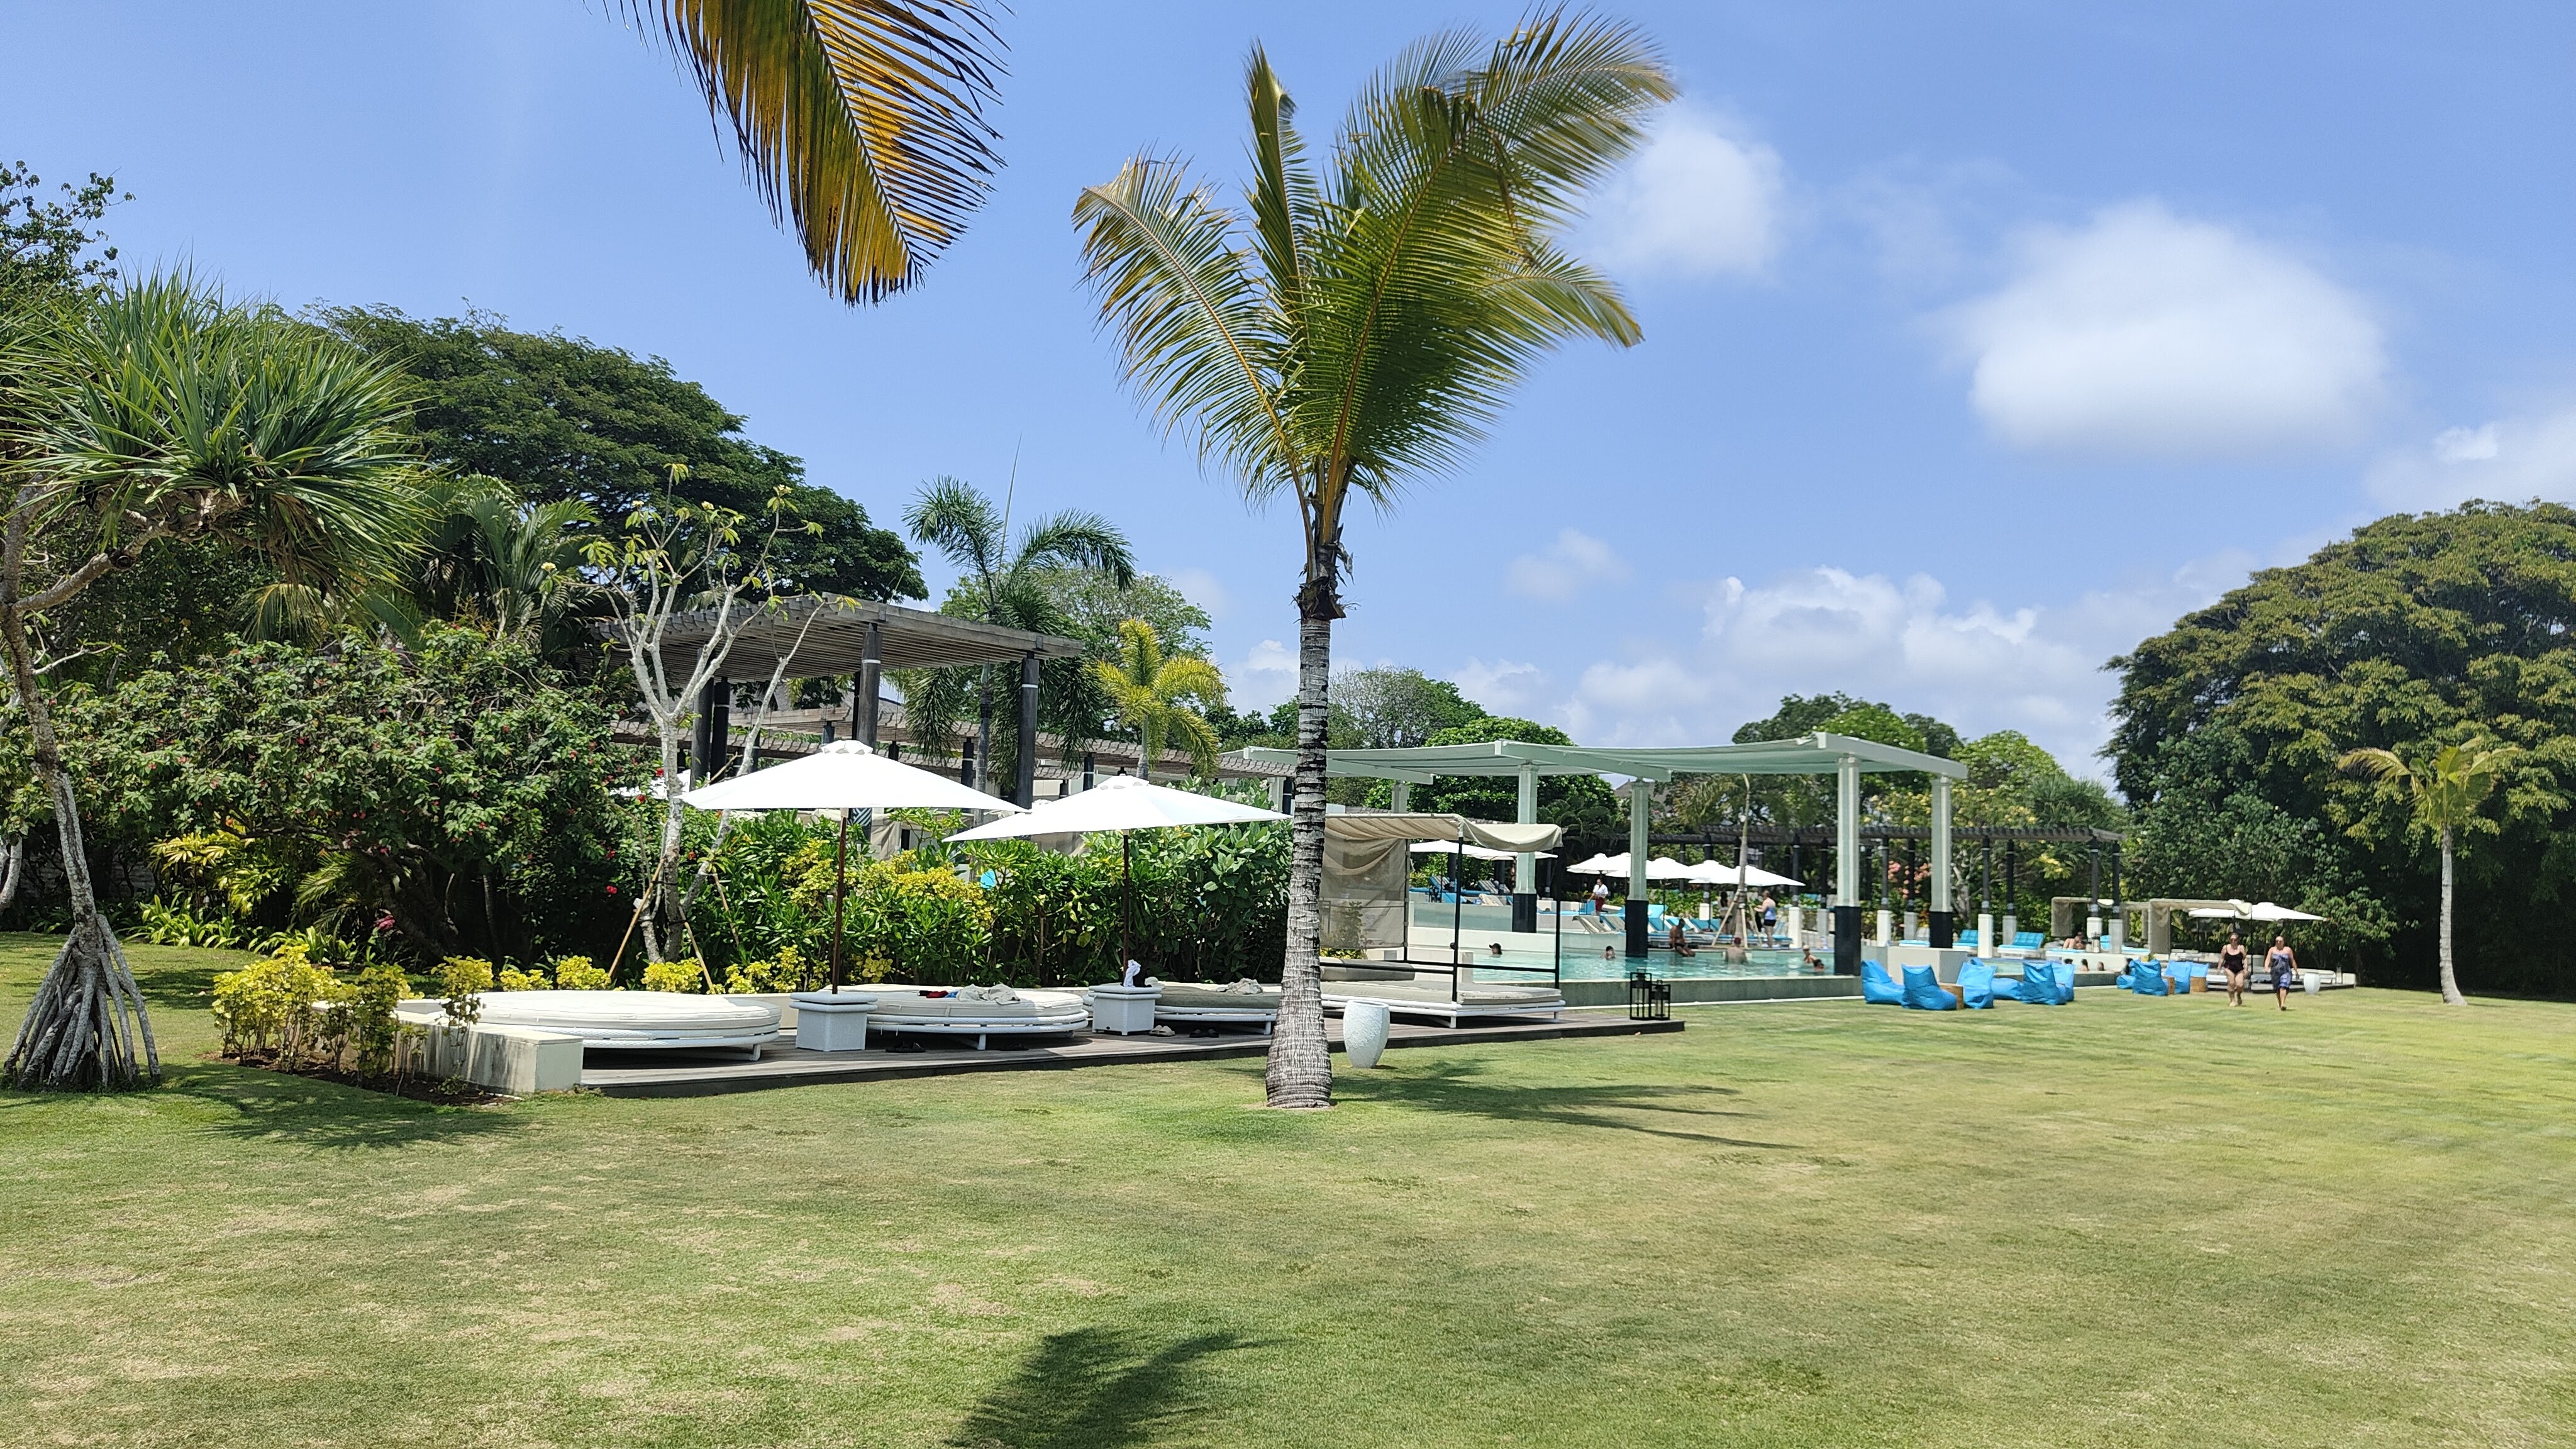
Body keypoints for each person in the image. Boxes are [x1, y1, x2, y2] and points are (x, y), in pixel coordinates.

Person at [2219, 930, 2250, 1005]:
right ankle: (2232, 1000)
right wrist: (2219, 967)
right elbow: (2222, 958)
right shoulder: (2225, 948)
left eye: (2235, 940)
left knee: (2240, 985)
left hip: (2239, 969)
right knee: (2232, 983)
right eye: (2231, 940)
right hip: (2228, 968)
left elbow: (2245, 958)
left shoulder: (2241, 948)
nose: (2233, 941)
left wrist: (2246, 968)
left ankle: (2239, 995)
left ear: (2237, 940)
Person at [2268, 933, 2298, 1010]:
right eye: (2277, 941)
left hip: (2286, 972)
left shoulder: (2288, 950)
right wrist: (2266, 968)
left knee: (2283, 987)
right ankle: (2280, 1004)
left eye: (2280, 941)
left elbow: (2292, 961)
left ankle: (2283, 1004)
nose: (2278, 943)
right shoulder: (2272, 950)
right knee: (2277, 989)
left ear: (2283, 942)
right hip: (2275, 973)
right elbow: (2268, 960)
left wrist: (2296, 971)